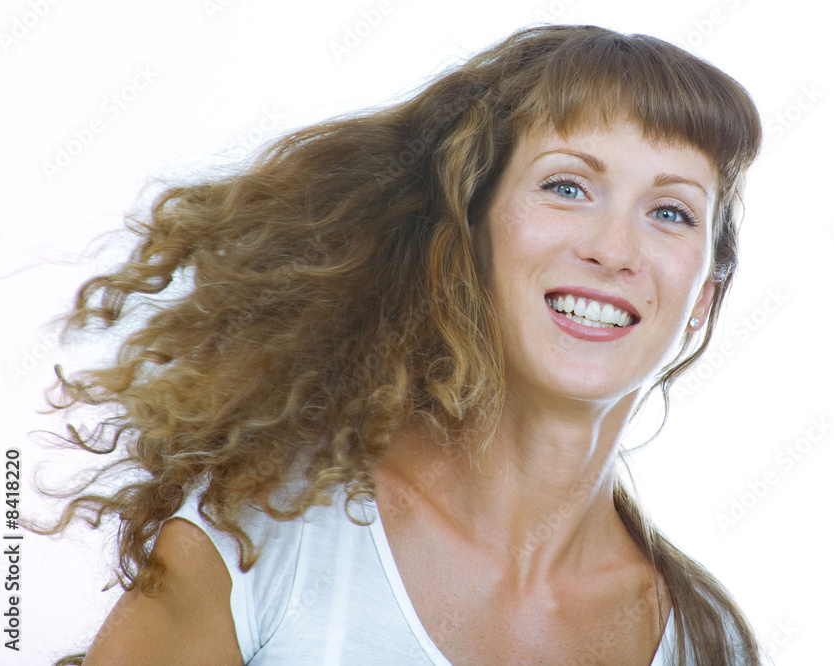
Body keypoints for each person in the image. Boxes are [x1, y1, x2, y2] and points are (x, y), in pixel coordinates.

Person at [39, 23, 763, 665]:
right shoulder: (267, 536)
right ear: (472, 234)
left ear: (703, 297)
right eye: (567, 187)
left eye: (671, 212)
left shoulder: (703, 642)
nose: (614, 250)